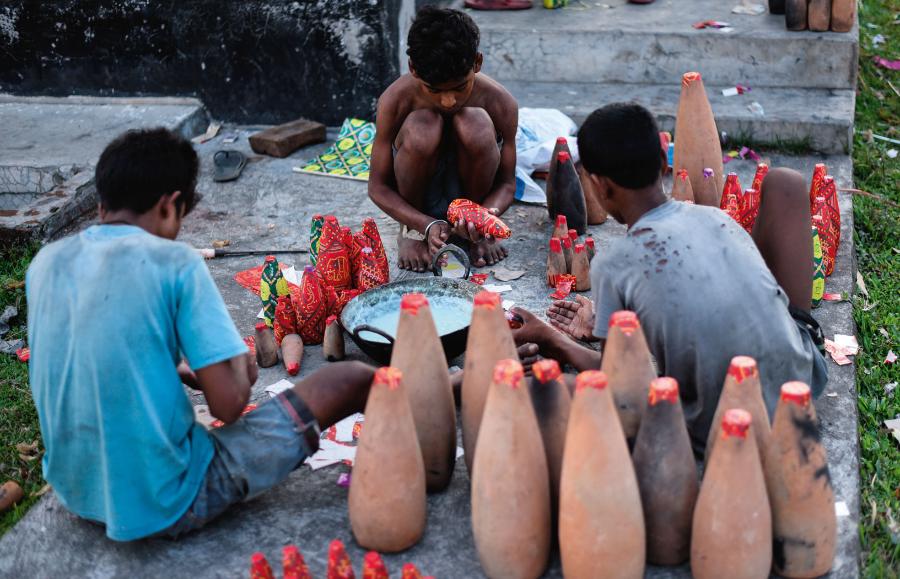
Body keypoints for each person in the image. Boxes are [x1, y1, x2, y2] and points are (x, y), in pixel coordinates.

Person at [26, 128, 375, 541]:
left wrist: (171, 366)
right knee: (350, 379)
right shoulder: (175, 263)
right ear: (171, 205)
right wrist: (241, 372)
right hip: (170, 500)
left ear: (102, 202)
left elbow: (97, 347)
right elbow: (228, 408)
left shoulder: (46, 263)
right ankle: (445, 392)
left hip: (77, 492)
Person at [511, 103, 828, 453]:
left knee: (544, 389)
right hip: (802, 384)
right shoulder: (715, 219)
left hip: (720, 428)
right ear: (664, 163)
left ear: (599, 185)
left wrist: (554, 340)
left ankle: (461, 385)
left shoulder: (614, 266)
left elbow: (624, 391)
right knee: (785, 184)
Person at [367, 6, 518, 272]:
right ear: (413, 68)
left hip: (473, 191)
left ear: (477, 63)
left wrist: (485, 220)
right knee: (423, 126)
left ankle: (471, 232)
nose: (449, 101)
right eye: (434, 90)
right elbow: (378, 187)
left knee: (476, 124)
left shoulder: (500, 103)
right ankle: (412, 234)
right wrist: (422, 225)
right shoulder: (395, 100)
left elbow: (507, 184)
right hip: (418, 194)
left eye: (460, 88)